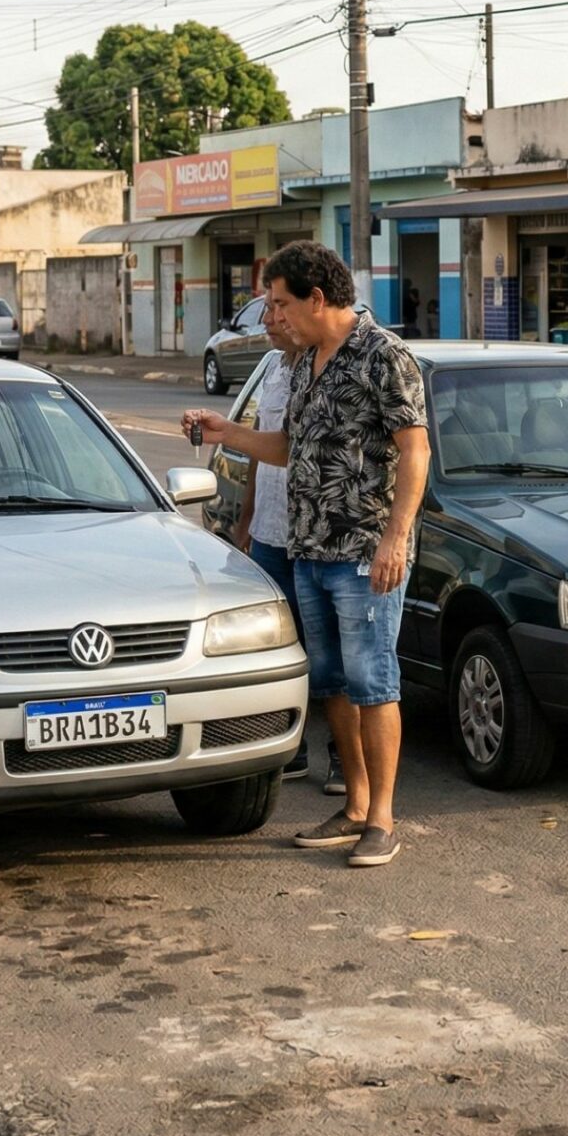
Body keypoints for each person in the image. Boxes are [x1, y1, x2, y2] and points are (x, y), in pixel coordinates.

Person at [186, 241, 429, 869]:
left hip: (364, 553)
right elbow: (289, 448)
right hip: (309, 548)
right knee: (332, 686)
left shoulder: (384, 355)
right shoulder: (304, 362)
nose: (276, 316)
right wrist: (227, 432)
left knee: (374, 682)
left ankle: (382, 819)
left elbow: (416, 451)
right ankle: (353, 805)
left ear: (317, 298)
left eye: (282, 303)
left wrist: (396, 537)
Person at [231, 321, 333, 787]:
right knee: (278, 647)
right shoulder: (274, 367)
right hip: (271, 531)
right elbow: (260, 444)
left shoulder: (323, 366)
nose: (268, 321)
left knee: (328, 652)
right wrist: (247, 515)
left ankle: (342, 755)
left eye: (277, 308)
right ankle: (291, 748)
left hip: (314, 536)